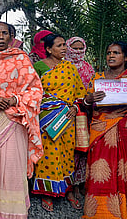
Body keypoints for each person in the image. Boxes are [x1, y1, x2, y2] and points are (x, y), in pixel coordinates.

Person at [0, 22, 44, 218]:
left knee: (13, 166)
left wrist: (15, 100)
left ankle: (14, 213)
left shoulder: (21, 59)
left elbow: (36, 91)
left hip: (15, 119)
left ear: (12, 37)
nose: (1, 37)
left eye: (5, 33)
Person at [32, 33, 87, 211]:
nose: (64, 48)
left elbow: (79, 93)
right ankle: (46, 192)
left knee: (67, 154)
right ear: (48, 49)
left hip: (68, 117)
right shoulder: (39, 66)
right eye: (59, 45)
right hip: (47, 118)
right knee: (48, 154)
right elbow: (33, 92)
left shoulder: (69, 67)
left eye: (64, 45)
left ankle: (68, 190)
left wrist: (74, 107)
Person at [82, 41, 127, 218]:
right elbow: (85, 105)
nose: (111, 56)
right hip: (100, 131)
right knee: (99, 173)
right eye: (109, 53)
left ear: (125, 57)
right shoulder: (97, 78)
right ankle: (99, 214)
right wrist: (90, 99)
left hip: (123, 130)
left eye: (116, 53)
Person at [65, 36, 95, 199]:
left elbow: (93, 88)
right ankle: (68, 185)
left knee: (83, 149)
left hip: (86, 113)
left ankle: (80, 183)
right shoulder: (63, 66)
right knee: (70, 150)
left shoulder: (88, 68)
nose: (77, 51)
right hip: (66, 113)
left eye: (80, 48)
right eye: (74, 48)